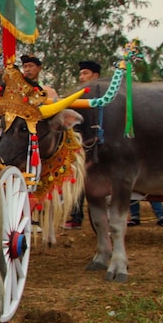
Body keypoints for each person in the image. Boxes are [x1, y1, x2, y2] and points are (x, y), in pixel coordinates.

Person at [64, 60, 101, 229]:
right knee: (78, 183)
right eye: (80, 74)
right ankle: (76, 217)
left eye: (85, 73)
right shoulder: (77, 97)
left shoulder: (104, 96)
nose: (81, 77)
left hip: (103, 147)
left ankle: (100, 221)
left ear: (96, 76)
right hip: (82, 147)